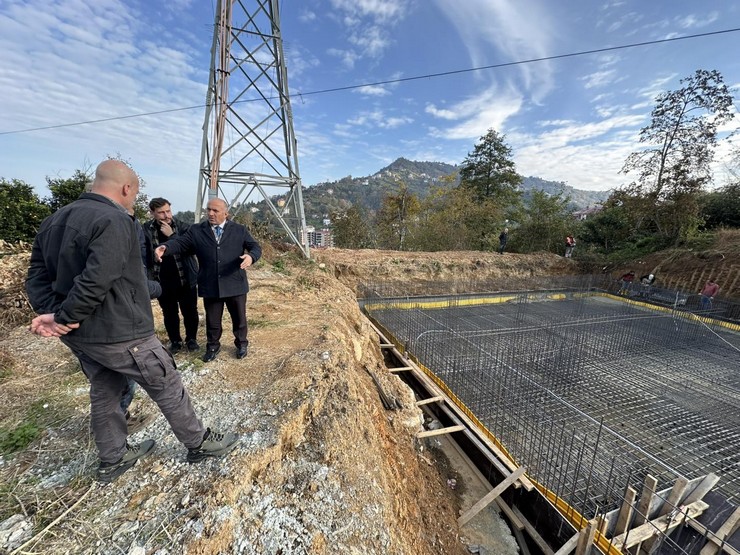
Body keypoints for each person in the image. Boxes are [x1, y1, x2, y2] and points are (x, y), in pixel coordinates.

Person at [25, 160, 239, 483]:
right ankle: (198, 443)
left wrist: (58, 317)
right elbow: (98, 278)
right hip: (122, 330)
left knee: (106, 388)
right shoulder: (115, 220)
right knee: (166, 380)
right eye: (134, 195)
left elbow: (36, 279)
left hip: (83, 336)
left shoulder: (53, 221)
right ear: (127, 189)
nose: (133, 201)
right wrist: (65, 316)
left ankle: (113, 457)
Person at [155, 198, 262, 363]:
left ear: (226, 214)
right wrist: (167, 247)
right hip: (210, 283)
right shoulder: (197, 230)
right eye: (208, 210)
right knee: (212, 321)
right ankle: (212, 346)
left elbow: (255, 247)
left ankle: (241, 344)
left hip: (235, 282)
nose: (210, 214)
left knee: (239, 318)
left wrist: (250, 257)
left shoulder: (239, 230)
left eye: (215, 211)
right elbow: (181, 243)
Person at [143, 198, 200, 354]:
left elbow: (191, 248)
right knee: (169, 312)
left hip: (185, 277)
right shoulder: (146, 230)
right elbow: (144, 253)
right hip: (162, 279)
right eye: (161, 212)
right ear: (152, 213)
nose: (166, 215)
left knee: (190, 311)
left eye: (168, 211)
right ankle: (175, 340)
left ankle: (191, 339)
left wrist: (172, 235)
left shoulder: (183, 227)